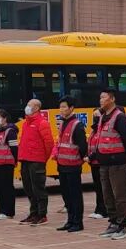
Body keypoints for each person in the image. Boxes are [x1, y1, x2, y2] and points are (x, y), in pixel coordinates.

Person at [91, 90, 126, 240]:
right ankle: (113, 222)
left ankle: (122, 226)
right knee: (107, 195)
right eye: (100, 97)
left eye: (104, 97)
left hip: (118, 163)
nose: (101, 100)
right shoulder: (102, 117)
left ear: (112, 99)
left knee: (119, 195)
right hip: (104, 163)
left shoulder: (119, 117)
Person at [53, 97, 87, 232]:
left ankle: (78, 222)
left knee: (75, 195)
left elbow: (83, 146)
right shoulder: (62, 124)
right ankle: (70, 220)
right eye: (60, 107)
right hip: (62, 165)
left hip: (73, 165)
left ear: (71, 108)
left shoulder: (77, 125)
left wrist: (79, 160)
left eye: (64, 107)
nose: (61, 109)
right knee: (66, 195)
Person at [18, 99, 54, 226]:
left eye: (30, 105)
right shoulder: (26, 123)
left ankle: (42, 214)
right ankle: (33, 213)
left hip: (36, 161)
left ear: (37, 108)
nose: (27, 107)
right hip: (25, 160)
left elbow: (49, 144)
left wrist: (43, 158)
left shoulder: (42, 123)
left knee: (38, 188)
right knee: (28, 188)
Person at [0, 108, 19, 220]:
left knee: (7, 187)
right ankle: (2, 211)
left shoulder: (10, 131)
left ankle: (8, 211)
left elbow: (14, 148)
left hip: (7, 163)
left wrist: (15, 161)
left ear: (5, 119)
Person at [88, 108, 107, 221]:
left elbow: (100, 146)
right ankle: (98, 209)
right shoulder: (93, 130)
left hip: (100, 162)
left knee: (102, 188)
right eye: (94, 115)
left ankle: (104, 210)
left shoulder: (102, 130)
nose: (95, 117)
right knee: (97, 187)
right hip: (93, 163)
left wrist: (90, 156)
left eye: (97, 115)